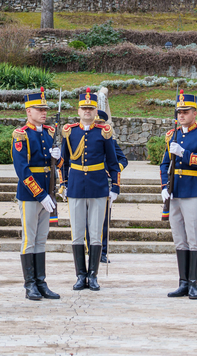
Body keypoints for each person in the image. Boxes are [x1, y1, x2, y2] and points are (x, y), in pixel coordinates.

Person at [60, 89, 120, 290]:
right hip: (76, 186)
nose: (87, 111)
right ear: (79, 111)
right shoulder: (69, 132)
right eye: (84, 108)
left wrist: (116, 187)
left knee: (95, 233)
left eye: (91, 109)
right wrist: (64, 183)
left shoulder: (104, 132)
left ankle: (93, 275)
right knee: (77, 232)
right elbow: (64, 162)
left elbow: (112, 161)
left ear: (96, 111)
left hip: (98, 186)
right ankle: (80, 275)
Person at [160, 91, 197, 300]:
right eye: (179, 112)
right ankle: (183, 282)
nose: (181, 115)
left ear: (194, 112)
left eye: (185, 111)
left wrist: (184, 153)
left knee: (194, 239)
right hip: (175, 191)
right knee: (179, 239)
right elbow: (164, 163)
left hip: (194, 190)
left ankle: (194, 284)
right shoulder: (172, 135)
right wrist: (164, 186)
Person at [12, 87, 62, 301]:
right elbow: (22, 169)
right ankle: (29, 284)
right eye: (38, 109)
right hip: (30, 194)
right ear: (28, 112)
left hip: (48, 192)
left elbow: (55, 164)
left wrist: (59, 158)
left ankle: (41, 282)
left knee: (41, 240)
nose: (43, 112)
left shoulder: (50, 133)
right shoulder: (21, 134)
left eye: (45, 109)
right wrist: (40, 194)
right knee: (29, 240)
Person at [85, 109, 128, 264]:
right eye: (96, 123)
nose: (99, 125)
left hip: (104, 184)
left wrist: (114, 171)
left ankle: (102, 252)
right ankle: (90, 250)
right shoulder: (85, 139)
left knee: (103, 221)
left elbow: (123, 160)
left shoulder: (110, 140)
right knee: (86, 221)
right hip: (88, 182)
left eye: (101, 123)